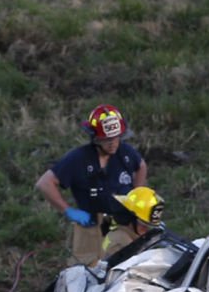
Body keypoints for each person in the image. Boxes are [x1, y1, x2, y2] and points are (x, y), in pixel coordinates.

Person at [36, 104, 148, 266]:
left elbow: (141, 166)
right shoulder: (78, 159)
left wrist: (137, 197)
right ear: (95, 138)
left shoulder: (125, 153)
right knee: (87, 272)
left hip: (124, 222)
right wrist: (68, 211)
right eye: (107, 140)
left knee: (132, 263)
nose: (113, 144)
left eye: (116, 138)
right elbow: (45, 183)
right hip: (91, 224)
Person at [102, 187, 194, 269]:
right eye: (143, 225)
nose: (147, 230)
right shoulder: (119, 239)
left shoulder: (136, 237)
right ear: (129, 218)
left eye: (149, 227)